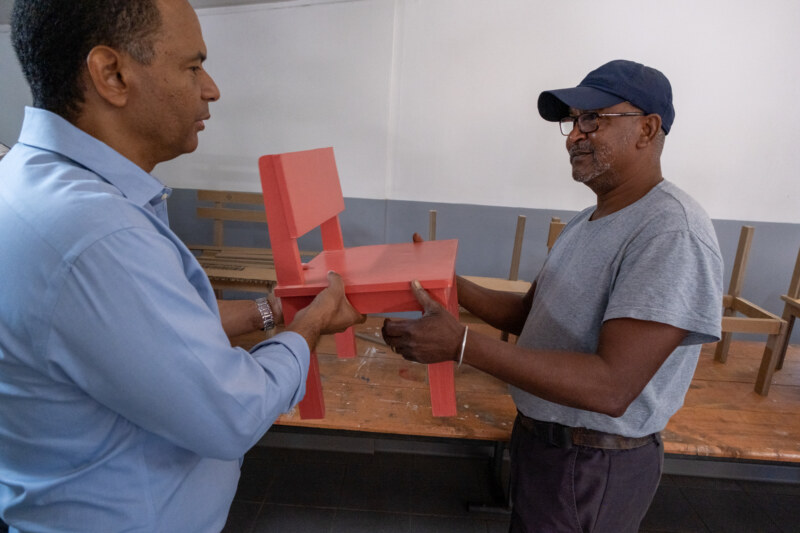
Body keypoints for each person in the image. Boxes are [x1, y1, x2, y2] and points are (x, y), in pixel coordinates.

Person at [0, 1, 364, 531]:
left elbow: (143, 339)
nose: (211, 88)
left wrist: (272, 310)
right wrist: (311, 324)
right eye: (192, 67)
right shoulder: (98, 234)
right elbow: (233, 412)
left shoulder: (26, 181)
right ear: (112, 75)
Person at [382, 60, 723, 532]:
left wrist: (461, 345)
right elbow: (530, 314)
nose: (573, 136)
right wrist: (448, 284)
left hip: (591, 463)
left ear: (647, 129)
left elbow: (611, 387)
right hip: (548, 446)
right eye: (572, 121)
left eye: (592, 119)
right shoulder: (587, 220)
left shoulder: (670, 232)